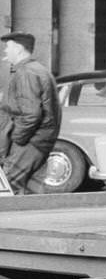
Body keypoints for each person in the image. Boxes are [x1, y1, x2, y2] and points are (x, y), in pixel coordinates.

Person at [0, 31, 62, 194]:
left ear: (19, 49)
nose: (5, 51)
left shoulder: (26, 72)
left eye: (8, 47)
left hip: (28, 143)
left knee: (7, 187)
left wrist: (16, 140)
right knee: (32, 193)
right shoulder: (38, 70)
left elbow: (31, 114)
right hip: (40, 142)